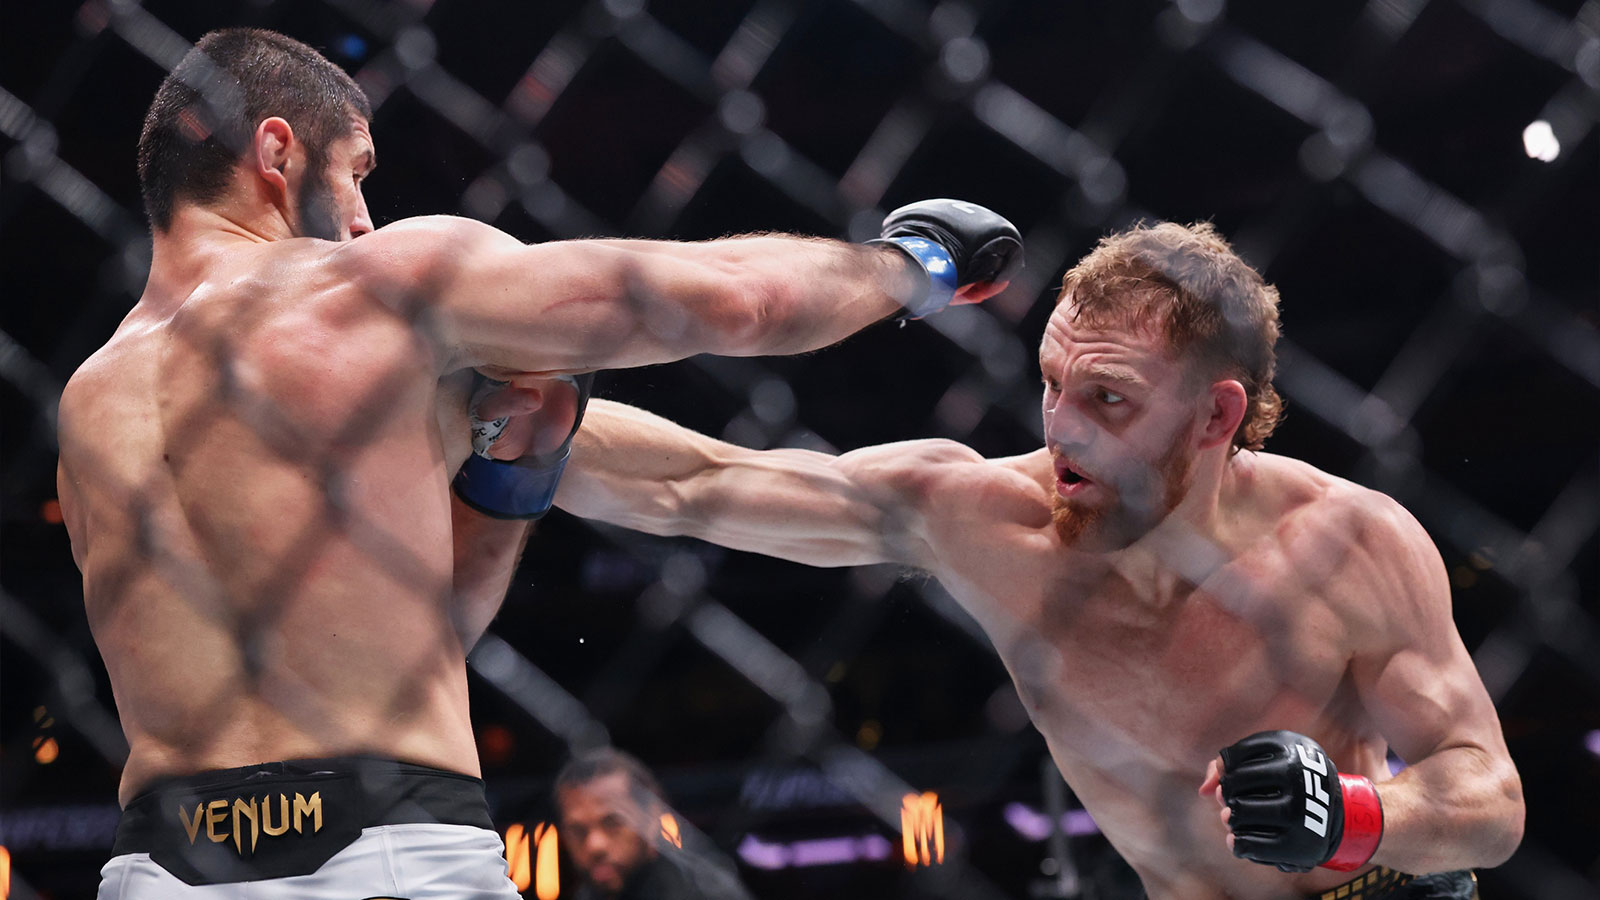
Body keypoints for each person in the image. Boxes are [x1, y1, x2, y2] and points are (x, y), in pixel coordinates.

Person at [54, 27, 1020, 897]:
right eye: (355, 172)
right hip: (393, 846)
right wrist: (914, 265)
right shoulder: (378, 289)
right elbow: (729, 300)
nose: (361, 217)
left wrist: (511, 485)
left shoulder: (90, 402)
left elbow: (407, 642)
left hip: (158, 867)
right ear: (276, 152)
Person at [539, 221, 1525, 900]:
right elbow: (697, 484)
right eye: (1052, 384)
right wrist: (483, 412)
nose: (1062, 431)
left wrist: (1351, 814)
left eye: (1108, 401)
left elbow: (1489, 799)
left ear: (1217, 414)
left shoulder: (1347, 542)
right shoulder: (981, 518)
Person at [555, 749, 754, 900]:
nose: (595, 845)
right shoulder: (586, 894)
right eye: (577, 831)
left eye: (613, 823)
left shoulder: (704, 889)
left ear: (651, 819)